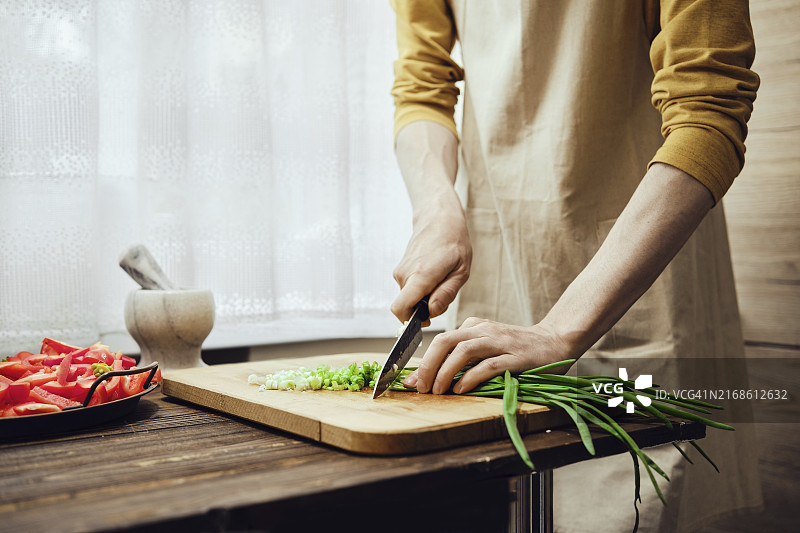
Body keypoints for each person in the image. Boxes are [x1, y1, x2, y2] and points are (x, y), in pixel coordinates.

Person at [389, 1, 762, 531]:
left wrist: (560, 330)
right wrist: (435, 207)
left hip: (644, 256)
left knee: (634, 497)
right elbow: (421, 83)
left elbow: (709, 112)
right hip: (501, 252)